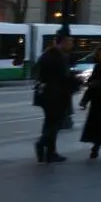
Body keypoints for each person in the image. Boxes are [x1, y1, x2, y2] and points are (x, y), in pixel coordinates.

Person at [33, 33, 77, 163]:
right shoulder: (58, 57)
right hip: (56, 94)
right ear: (62, 42)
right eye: (69, 42)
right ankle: (43, 144)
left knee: (50, 121)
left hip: (46, 93)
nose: (71, 45)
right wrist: (76, 81)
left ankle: (50, 152)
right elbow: (63, 77)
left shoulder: (47, 54)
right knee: (54, 122)